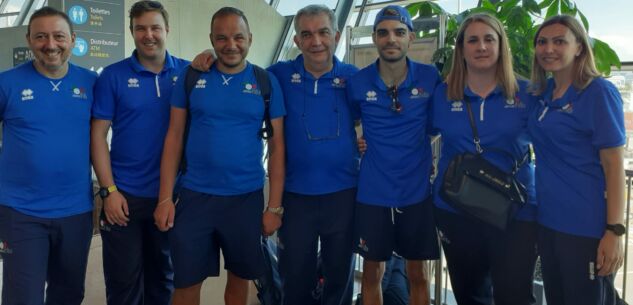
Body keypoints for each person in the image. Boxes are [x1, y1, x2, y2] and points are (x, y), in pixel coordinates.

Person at [191, 5, 359, 304]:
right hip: (295, 197)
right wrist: (211, 54)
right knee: (294, 277)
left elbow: (380, 116)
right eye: (306, 34)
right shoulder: (277, 75)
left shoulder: (354, 78)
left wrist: (368, 139)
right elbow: (238, 66)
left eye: (322, 33)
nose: (315, 41)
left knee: (339, 278)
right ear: (296, 41)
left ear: (335, 35)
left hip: (344, 195)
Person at [153, 7, 286, 305]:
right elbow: (173, 138)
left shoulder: (265, 82)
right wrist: (164, 198)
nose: (231, 44)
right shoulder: (192, 76)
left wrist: (274, 207)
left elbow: (278, 148)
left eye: (238, 37)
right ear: (211, 39)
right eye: (222, 38)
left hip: (245, 199)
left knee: (239, 281)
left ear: (250, 38)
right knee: (186, 283)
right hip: (195, 197)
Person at [430, 13, 538, 305]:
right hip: (456, 210)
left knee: (515, 296)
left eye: (489, 39)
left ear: (501, 46)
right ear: (461, 49)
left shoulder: (528, 94)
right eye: (473, 40)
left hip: (516, 213)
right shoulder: (442, 95)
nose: (481, 47)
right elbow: (412, 135)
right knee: (470, 296)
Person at [91, 1, 189, 304]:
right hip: (125, 196)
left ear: (167, 30)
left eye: (155, 28)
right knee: (124, 285)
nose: (149, 35)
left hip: (172, 195)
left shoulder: (189, 72)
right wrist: (109, 191)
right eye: (141, 28)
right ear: (132, 31)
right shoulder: (113, 75)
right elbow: (98, 136)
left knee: (164, 280)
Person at [0, 6, 96, 305]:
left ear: (73, 39)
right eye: (41, 36)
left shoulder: (92, 83)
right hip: (20, 212)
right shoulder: (7, 83)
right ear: (29, 40)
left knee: (68, 295)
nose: (50, 45)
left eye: (58, 36)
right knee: (23, 297)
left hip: (76, 211)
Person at [346, 5, 440, 305]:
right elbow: (347, 122)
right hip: (373, 192)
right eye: (384, 32)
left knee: (419, 276)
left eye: (399, 32)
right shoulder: (358, 82)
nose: (391, 39)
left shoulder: (429, 77)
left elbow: (440, 124)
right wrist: (357, 142)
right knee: (372, 274)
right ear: (374, 37)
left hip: (416, 193)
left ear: (410, 37)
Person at [528, 15, 625, 305]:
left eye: (560, 41)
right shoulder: (541, 93)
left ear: (579, 48)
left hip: (585, 226)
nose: (549, 49)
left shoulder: (597, 92)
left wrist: (614, 231)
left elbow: (614, 166)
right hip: (547, 222)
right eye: (542, 42)